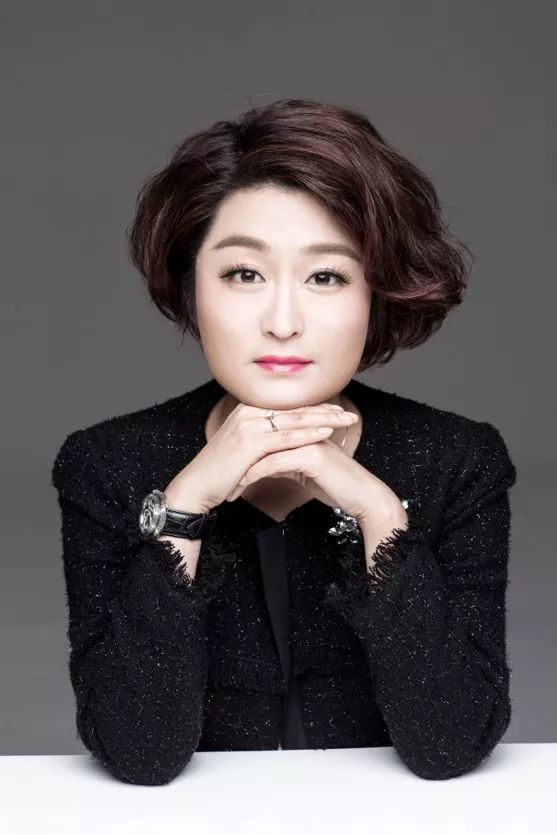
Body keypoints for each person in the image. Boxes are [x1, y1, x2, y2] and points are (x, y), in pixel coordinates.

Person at [51, 98, 517, 786]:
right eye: (244, 273)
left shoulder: (457, 460)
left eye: (326, 276)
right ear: (191, 285)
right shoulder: (107, 465)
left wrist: (379, 516)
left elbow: (450, 744)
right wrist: (185, 506)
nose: (282, 321)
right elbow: (138, 753)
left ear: (376, 294)